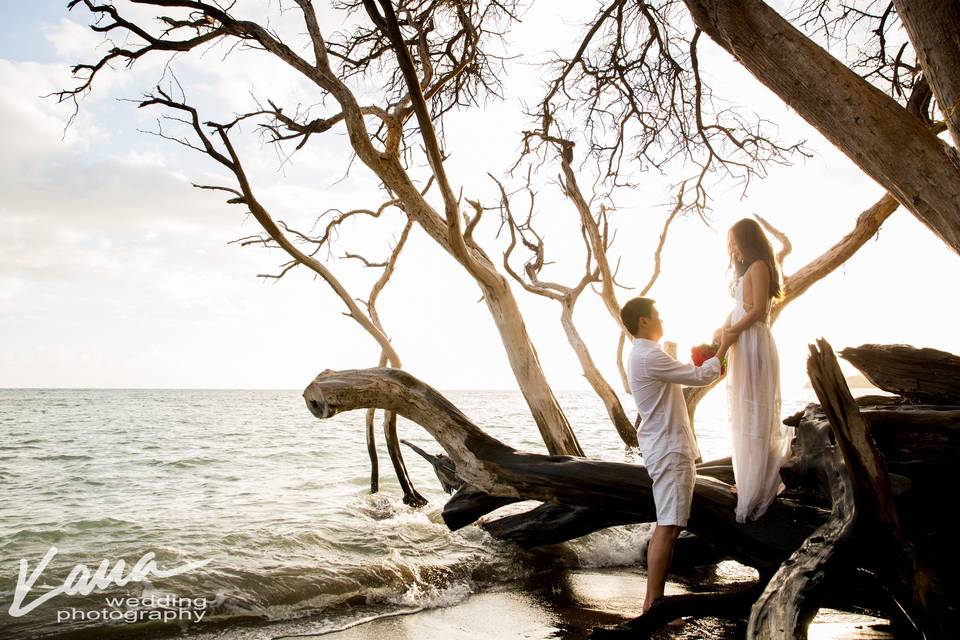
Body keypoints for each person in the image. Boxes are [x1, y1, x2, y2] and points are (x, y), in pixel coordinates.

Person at [621, 297, 733, 613]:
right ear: (643, 321)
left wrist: (715, 346)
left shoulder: (644, 354)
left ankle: (653, 602)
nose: (662, 320)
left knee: (670, 526)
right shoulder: (647, 355)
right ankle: (652, 605)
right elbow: (698, 376)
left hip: (667, 447)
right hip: (669, 449)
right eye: (657, 315)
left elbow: (692, 371)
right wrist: (723, 348)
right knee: (668, 527)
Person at [714, 218, 792, 523]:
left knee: (756, 410)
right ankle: (749, 479)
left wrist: (731, 331)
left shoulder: (760, 265)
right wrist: (723, 329)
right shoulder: (747, 270)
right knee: (744, 409)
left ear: (747, 239)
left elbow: (758, 311)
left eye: (734, 240)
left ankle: (757, 484)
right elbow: (739, 310)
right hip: (743, 341)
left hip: (754, 342)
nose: (731, 247)